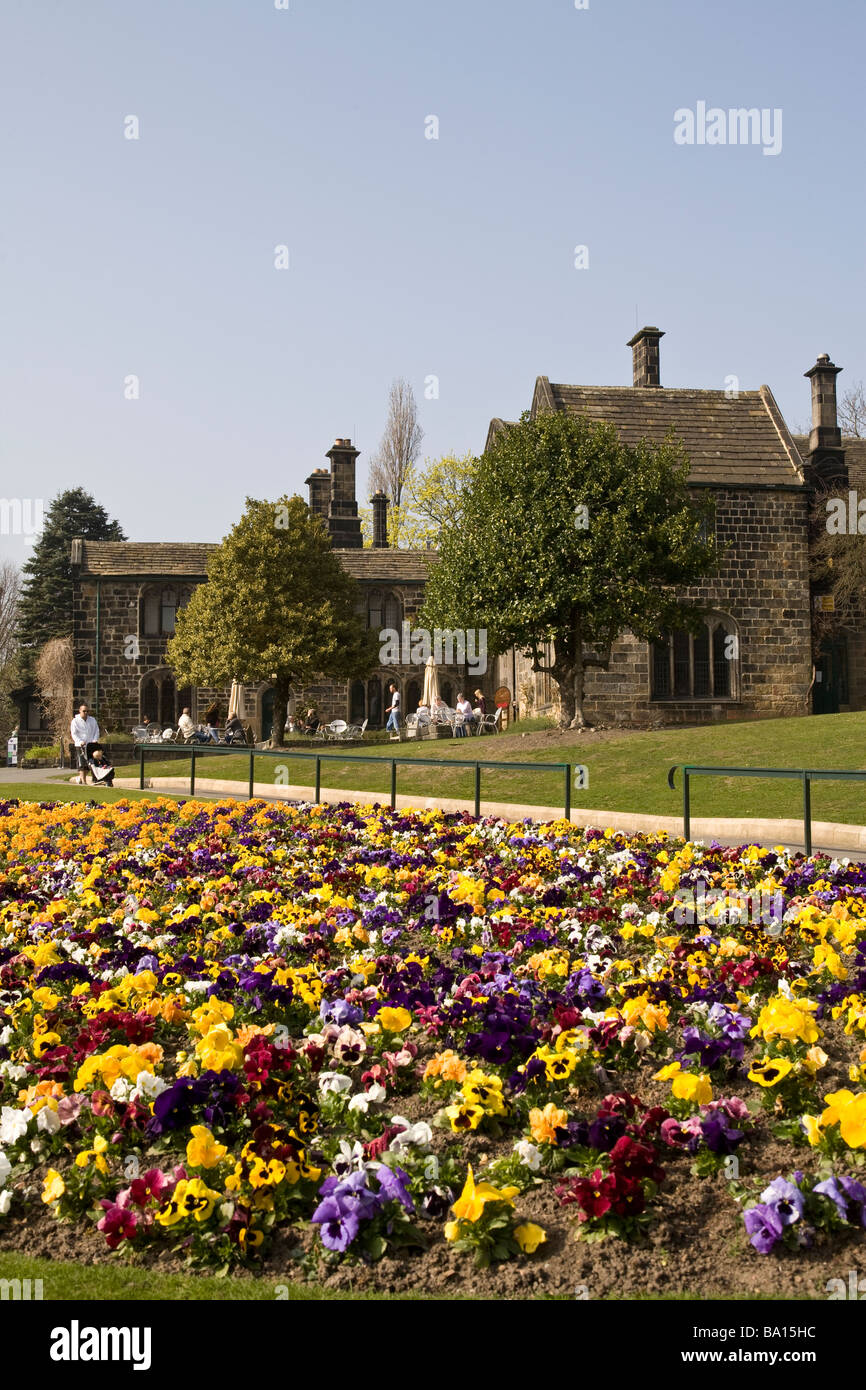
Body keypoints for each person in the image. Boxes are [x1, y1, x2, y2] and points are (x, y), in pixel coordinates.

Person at [70, 703, 100, 785]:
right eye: (84, 711)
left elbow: (96, 731)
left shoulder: (92, 720)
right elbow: (74, 734)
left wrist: (95, 740)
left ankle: (81, 778)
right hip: (81, 745)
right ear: (80, 711)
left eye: (87, 711)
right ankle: (84, 781)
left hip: (91, 745)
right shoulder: (75, 721)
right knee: (82, 763)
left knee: (91, 763)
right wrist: (80, 742)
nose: (86, 712)